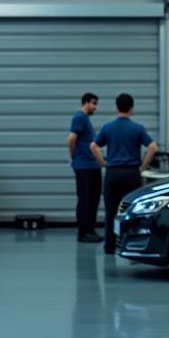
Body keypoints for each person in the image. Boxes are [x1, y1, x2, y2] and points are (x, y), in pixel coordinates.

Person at [91, 93, 158, 255]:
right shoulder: (137, 128)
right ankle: (131, 244)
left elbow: (93, 146)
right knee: (133, 211)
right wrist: (143, 165)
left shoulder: (108, 127)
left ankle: (109, 246)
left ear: (116, 108)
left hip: (113, 173)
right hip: (132, 174)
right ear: (132, 108)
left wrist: (104, 163)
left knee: (111, 211)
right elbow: (153, 147)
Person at [68, 93, 102, 243]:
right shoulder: (79, 117)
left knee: (93, 199)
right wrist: (74, 157)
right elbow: (71, 139)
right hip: (84, 166)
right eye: (93, 103)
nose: (95, 107)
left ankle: (90, 230)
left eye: (96, 104)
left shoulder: (85, 119)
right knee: (85, 200)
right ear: (86, 102)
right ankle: (83, 233)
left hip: (92, 165)